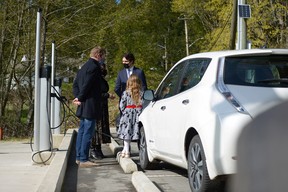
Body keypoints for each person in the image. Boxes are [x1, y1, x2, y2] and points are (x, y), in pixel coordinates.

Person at [72, 46, 106, 168]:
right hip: (90, 104)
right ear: (99, 55)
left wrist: (77, 97)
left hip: (83, 104)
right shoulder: (95, 67)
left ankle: (78, 157)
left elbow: (75, 84)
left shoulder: (83, 67)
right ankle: (84, 159)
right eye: (103, 56)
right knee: (88, 132)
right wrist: (80, 97)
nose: (104, 59)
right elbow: (88, 84)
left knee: (81, 131)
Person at [114, 53, 147, 128]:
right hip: (125, 104)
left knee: (137, 123)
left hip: (137, 102)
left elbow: (144, 86)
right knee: (125, 124)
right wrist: (124, 97)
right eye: (123, 61)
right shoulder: (121, 73)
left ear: (131, 61)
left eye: (126, 61)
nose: (124, 63)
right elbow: (117, 88)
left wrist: (139, 96)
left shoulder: (139, 72)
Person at [90, 62, 115, 160]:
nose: (103, 69)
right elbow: (97, 93)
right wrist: (108, 95)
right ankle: (93, 149)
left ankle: (98, 148)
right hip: (96, 106)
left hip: (102, 106)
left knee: (101, 128)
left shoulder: (101, 78)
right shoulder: (95, 79)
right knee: (96, 127)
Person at [117, 74, 143, 158]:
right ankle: (125, 150)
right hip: (138, 113)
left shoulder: (126, 93)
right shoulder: (141, 93)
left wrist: (125, 111)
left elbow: (121, 105)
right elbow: (143, 104)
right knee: (135, 132)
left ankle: (126, 150)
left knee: (126, 133)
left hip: (128, 114)